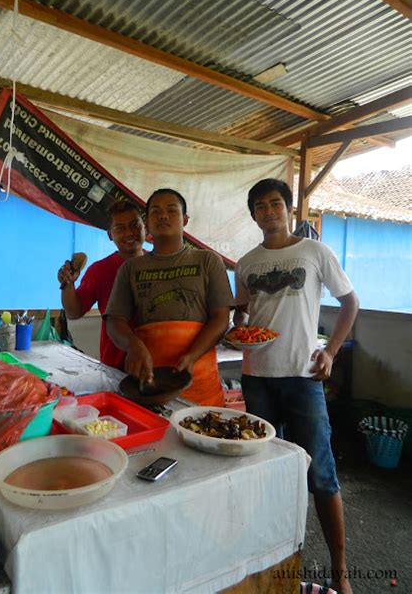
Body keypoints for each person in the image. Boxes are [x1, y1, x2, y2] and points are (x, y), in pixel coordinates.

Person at [234, 178, 358, 594]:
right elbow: (244, 316)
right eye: (260, 207)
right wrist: (238, 329)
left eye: (275, 204)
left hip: (304, 378)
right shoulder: (245, 263)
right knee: (267, 474)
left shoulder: (314, 252)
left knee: (321, 474)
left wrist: (331, 352)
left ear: (288, 209)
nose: (269, 212)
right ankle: (274, 563)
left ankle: (339, 569)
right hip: (257, 379)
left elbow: (349, 302)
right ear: (253, 215)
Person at [105, 188, 233, 406]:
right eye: (155, 211)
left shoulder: (208, 261)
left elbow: (221, 318)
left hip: (201, 383)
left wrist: (192, 356)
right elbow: (115, 321)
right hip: (149, 384)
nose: (163, 215)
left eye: (171, 210)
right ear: (147, 222)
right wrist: (133, 345)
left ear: (185, 219)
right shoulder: (130, 269)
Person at [57, 200, 145, 370]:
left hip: (160, 363)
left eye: (135, 225)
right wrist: (68, 284)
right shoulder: (100, 270)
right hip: (115, 367)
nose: (129, 233)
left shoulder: (161, 264)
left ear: (145, 227)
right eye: (120, 228)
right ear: (110, 234)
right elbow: (74, 312)